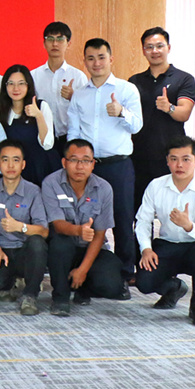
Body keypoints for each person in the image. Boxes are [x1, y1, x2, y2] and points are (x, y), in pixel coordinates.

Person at [67, 38, 144, 279]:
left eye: (101, 57)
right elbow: (73, 132)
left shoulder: (127, 90)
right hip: (88, 167)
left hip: (118, 165)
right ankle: (88, 269)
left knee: (123, 218)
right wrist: (74, 162)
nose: (96, 63)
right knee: (85, 217)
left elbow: (137, 126)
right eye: (91, 58)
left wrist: (121, 112)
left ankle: (126, 271)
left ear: (111, 59)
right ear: (84, 62)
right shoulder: (79, 95)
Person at [135, 136, 195, 327]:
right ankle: (175, 288)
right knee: (144, 282)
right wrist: (146, 249)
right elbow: (143, 221)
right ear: (167, 161)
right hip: (167, 244)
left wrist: (188, 225)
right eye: (173, 159)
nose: (179, 165)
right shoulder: (156, 185)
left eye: (186, 159)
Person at [42, 139, 130, 316]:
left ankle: (83, 289)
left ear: (93, 164)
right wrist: (79, 231)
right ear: (64, 162)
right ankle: (60, 298)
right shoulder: (51, 183)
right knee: (59, 244)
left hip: (91, 249)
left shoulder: (104, 188)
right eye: (74, 160)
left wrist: (82, 270)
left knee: (112, 285)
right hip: (63, 246)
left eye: (86, 161)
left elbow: (100, 234)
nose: (80, 166)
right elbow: (58, 225)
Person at [0, 140, 49, 315]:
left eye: (16, 160)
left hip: (25, 252)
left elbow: (43, 231)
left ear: (23, 165)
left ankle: (30, 294)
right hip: (1, 252)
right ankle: (11, 283)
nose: (10, 165)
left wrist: (20, 227)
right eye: (5, 160)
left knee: (38, 243)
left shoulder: (33, 191)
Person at [128, 27, 195, 210]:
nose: (155, 51)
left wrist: (169, 107)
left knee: (171, 210)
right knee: (141, 210)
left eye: (159, 46)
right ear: (143, 51)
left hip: (171, 157)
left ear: (169, 48)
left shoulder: (184, 79)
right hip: (139, 156)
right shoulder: (134, 81)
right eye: (149, 47)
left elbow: (184, 113)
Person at [30, 21, 88, 155]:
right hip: (42, 137)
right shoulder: (34, 76)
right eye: (50, 39)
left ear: (68, 43)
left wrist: (73, 97)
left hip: (69, 139)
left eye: (60, 39)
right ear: (44, 43)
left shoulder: (78, 76)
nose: (55, 44)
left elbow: (88, 109)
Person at [0, 64, 56, 185]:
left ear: (28, 86)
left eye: (21, 83)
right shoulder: (0, 114)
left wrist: (38, 116)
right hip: (17, 171)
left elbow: (47, 144)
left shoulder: (41, 106)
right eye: (11, 84)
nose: (16, 88)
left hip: (43, 167)